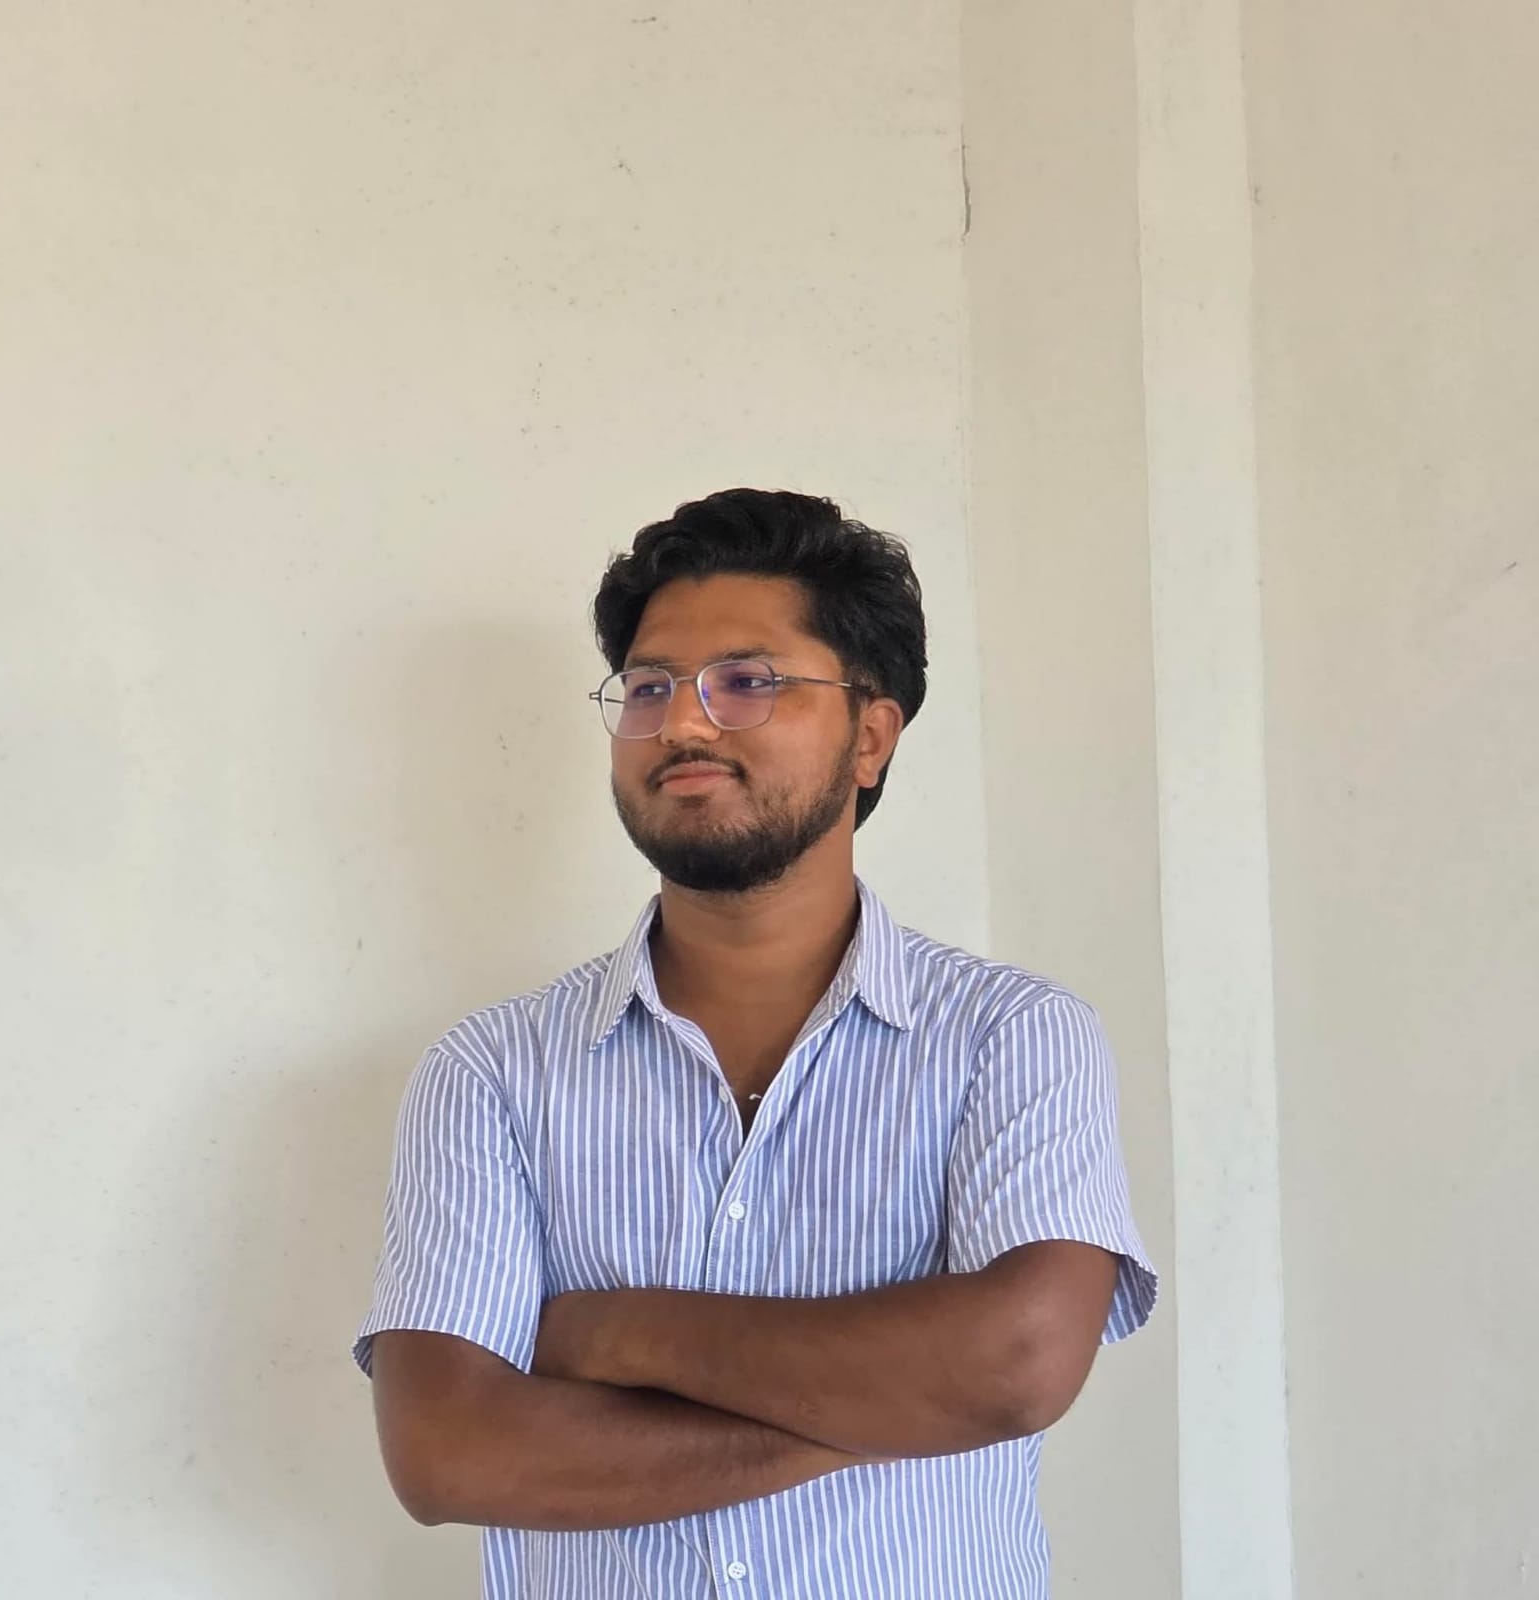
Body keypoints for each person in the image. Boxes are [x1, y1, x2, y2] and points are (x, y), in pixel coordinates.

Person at [351, 487, 1157, 1599]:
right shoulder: (493, 1071)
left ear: (869, 735)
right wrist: (904, 1398)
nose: (683, 725)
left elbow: (1017, 1364)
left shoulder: (1008, 1037)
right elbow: (451, 1454)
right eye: (648, 688)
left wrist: (620, 1332)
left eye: (747, 681)